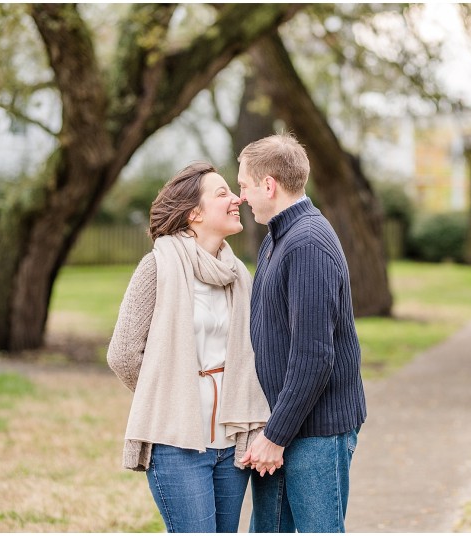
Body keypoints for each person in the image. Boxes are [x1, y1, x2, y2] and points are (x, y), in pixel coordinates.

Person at [107, 161, 270, 533]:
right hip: (176, 442)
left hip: (231, 443)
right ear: (194, 213)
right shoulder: (157, 267)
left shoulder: (238, 274)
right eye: (223, 193)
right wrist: (168, 396)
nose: (237, 199)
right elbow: (122, 354)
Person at [237, 133, 367, 533]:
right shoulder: (277, 238)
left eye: (244, 185)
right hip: (284, 427)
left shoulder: (308, 242)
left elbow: (314, 357)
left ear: (269, 185)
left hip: (316, 432)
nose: (242, 196)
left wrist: (274, 436)